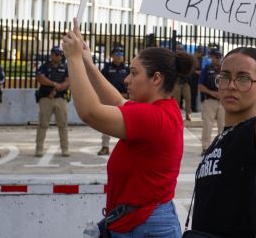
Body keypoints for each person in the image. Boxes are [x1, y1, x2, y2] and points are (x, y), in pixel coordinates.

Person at [61, 18, 194, 237]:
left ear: (156, 79)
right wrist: (87, 63)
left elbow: (90, 112)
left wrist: (73, 59)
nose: (126, 79)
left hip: (143, 226)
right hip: (138, 222)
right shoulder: (162, 110)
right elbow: (119, 103)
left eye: (134, 72)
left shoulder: (153, 117)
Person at [190, 4, 256, 238]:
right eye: (225, 77)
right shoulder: (222, 138)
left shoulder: (255, 134)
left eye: (243, 79)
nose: (231, 85)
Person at [35, 46, 70, 157]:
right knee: (43, 124)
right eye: (56, 54)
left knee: (63, 125)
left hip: (60, 98)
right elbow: (40, 78)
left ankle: (65, 149)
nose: (58, 56)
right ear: (51, 55)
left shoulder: (64, 67)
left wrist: (60, 86)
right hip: (46, 98)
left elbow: (68, 81)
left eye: (60, 54)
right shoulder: (45, 67)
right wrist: (54, 84)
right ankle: (39, 149)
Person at [97, 46, 129, 156]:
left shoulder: (127, 69)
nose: (119, 56)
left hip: (124, 99)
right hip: (110, 98)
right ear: (112, 55)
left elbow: (133, 83)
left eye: (121, 54)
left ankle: (127, 147)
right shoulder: (106, 68)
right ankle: (105, 146)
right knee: (107, 122)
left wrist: (127, 94)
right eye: (116, 54)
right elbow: (100, 82)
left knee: (127, 123)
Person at [198, 48, 225, 155]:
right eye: (215, 57)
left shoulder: (224, 70)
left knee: (223, 126)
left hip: (223, 101)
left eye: (219, 57)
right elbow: (200, 86)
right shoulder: (206, 69)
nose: (217, 59)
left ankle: (222, 147)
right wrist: (211, 92)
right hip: (210, 100)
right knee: (207, 125)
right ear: (212, 57)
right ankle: (206, 148)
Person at [172, 44, 193, 121]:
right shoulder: (174, 59)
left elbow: (190, 69)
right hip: (177, 81)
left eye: (181, 49)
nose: (179, 51)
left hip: (185, 82)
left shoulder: (186, 59)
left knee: (188, 98)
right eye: (178, 49)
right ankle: (176, 115)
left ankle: (188, 115)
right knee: (176, 100)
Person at [190, 46, 205, 113]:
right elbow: (189, 68)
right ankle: (193, 107)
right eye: (201, 53)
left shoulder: (200, 58)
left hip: (197, 77)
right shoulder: (192, 58)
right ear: (198, 52)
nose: (201, 55)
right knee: (193, 93)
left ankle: (194, 107)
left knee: (195, 93)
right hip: (192, 78)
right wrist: (196, 72)